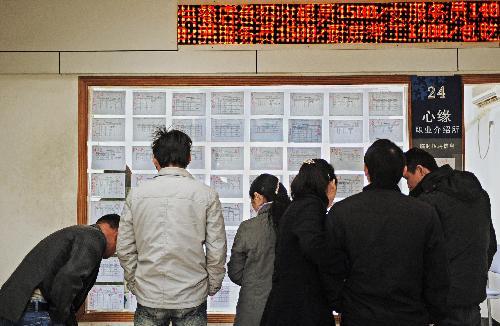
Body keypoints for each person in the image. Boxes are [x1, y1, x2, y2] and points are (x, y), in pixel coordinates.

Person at [326, 139, 449, 326]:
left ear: (366, 170)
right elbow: (437, 272)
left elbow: (330, 270)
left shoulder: (341, 212)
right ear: (402, 171)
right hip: (411, 316)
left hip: (359, 314)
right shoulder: (424, 213)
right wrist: (433, 313)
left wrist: (341, 304)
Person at [117, 128, 226, 326]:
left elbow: (124, 247)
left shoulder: (137, 195)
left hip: (148, 293)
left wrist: (136, 282)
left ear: (155, 160)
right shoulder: (206, 195)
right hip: (192, 293)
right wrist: (211, 285)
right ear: (189, 158)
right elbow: (216, 248)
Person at [404, 147, 497, 326]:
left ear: (421, 170)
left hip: (443, 299)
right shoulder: (479, 194)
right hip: (472, 295)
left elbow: (418, 254)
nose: (408, 185)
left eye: (408, 178)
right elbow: (490, 244)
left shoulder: (427, 202)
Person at [0, 214, 120, 326]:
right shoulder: (95, 238)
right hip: (33, 309)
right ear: (118, 235)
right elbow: (67, 279)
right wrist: (60, 320)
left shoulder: (81, 233)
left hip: (14, 307)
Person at [261, 158, 339, 326]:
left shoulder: (297, 205)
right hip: (302, 306)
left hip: (287, 302)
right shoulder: (311, 206)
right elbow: (314, 246)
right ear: (329, 183)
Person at [228, 174, 291, 326]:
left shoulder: (248, 228)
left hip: (252, 312)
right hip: (288, 308)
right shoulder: (293, 225)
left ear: (257, 197)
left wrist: (254, 282)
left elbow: (235, 272)